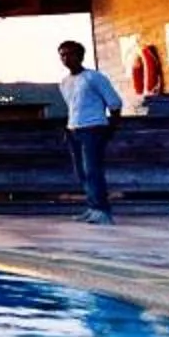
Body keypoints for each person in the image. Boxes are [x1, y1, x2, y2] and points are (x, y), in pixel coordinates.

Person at [55, 38, 124, 224]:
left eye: (70, 54)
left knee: (93, 170)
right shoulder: (65, 82)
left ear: (80, 56)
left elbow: (114, 102)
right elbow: (73, 106)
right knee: (81, 172)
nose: (66, 58)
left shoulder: (94, 77)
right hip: (74, 129)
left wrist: (111, 128)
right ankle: (92, 207)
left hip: (93, 129)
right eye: (62, 55)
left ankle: (102, 210)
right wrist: (68, 128)